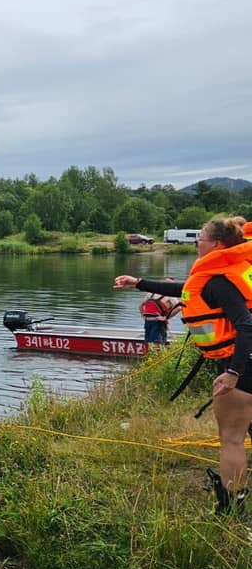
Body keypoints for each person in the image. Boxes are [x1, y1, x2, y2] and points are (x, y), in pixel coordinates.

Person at [114, 216, 252, 514]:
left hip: (241, 364)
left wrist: (233, 372)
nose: (196, 243)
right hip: (243, 360)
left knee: (231, 439)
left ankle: (232, 509)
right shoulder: (235, 270)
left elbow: (245, 324)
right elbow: (189, 289)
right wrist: (138, 283)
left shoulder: (219, 279)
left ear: (216, 244)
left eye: (200, 238)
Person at [140, 277, 181, 344]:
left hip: (158, 323)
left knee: (158, 345)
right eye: (166, 283)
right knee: (149, 344)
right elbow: (141, 305)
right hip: (148, 323)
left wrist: (165, 317)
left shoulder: (170, 295)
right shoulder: (151, 293)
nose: (168, 285)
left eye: (170, 284)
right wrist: (143, 316)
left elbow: (179, 307)